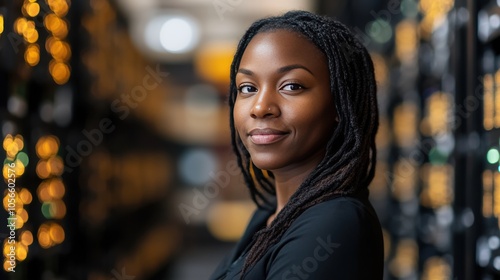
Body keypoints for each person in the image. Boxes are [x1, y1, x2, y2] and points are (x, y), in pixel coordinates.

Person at [209, 10, 384, 280]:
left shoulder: (333, 223)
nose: (260, 107)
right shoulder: (270, 213)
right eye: (247, 88)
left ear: (340, 103)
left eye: (291, 86)